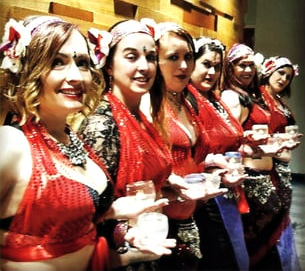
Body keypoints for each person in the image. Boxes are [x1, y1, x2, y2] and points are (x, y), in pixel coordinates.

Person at [0, 16, 173, 271]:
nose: (76, 76)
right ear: (28, 69)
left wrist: (117, 222)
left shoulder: (71, 138)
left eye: (82, 63)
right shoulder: (12, 143)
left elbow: (73, 231)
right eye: (57, 63)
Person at [79, 19, 176, 270]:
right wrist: (128, 241)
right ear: (109, 66)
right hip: (121, 255)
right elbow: (93, 213)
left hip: (149, 243)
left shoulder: (141, 117)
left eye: (151, 57)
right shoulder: (102, 124)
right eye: (131, 57)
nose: (145, 67)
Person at [151, 22, 228, 271]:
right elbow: (143, 171)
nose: (184, 66)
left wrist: (211, 165)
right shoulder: (147, 104)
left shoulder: (187, 102)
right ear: (155, 60)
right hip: (161, 224)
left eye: (188, 57)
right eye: (174, 58)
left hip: (192, 215)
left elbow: (188, 157)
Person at [220, 43, 300, 271]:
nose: (247, 70)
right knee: (257, 238)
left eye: (250, 66)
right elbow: (231, 142)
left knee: (268, 233)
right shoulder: (233, 96)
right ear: (230, 68)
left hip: (265, 173)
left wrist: (271, 145)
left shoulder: (249, 96)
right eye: (241, 66)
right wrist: (263, 148)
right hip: (252, 177)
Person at [187, 37, 249, 270]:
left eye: (216, 66)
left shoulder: (215, 99)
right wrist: (213, 160)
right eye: (206, 64)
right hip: (204, 195)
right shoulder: (187, 101)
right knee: (219, 255)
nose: (211, 72)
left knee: (230, 252)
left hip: (226, 187)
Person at [259, 55, 301, 271]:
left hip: (282, 168)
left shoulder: (280, 102)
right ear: (268, 71)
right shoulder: (259, 99)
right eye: (281, 73)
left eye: (288, 76)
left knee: (280, 216)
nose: (284, 79)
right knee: (266, 220)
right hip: (266, 169)